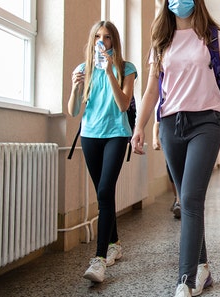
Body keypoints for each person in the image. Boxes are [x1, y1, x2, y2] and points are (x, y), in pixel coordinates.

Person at [131, 0, 220, 297]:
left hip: (206, 123)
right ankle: (202, 267)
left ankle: (183, 289)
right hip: (171, 128)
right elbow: (151, 91)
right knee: (189, 201)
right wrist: (139, 127)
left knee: (189, 200)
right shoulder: (160, 41)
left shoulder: (214, 36)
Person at [67, 21, 137, 283]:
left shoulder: (126, 69)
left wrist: (109, 72)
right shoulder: (83, 69)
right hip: (89, 136)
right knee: (103, 194)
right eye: (97, 36)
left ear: (113, 42)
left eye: (107, 37)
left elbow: (123, 105)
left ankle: (98, 261)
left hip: (116, 135)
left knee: (105, 191)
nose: (102, 41)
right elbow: (73, 111)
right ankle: (115, 243)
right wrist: (75, 87)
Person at [153, 119, 181, 219]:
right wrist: (154, 139)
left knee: (182, 172)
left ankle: (179, 201)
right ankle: (177, 198)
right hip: (170, 140)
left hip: (185, 140)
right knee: (172, 172)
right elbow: (157, 121)